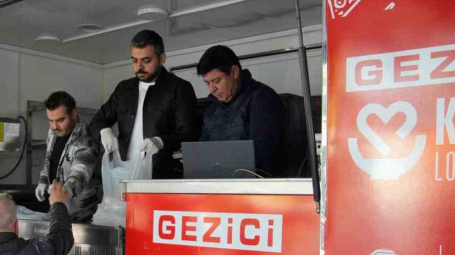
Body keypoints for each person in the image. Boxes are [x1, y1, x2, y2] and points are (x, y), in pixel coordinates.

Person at [89, 29, 198, 179]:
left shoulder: (179, 88)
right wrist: (104, 131)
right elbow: (97, 121)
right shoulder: (123, 89)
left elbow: (189, 134)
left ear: (162, 58)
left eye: (146, 61)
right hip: (123, 175)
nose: (139, 67)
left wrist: (161, 141)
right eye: (134, 60)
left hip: (161, 177)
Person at [197, 45, 300, 177]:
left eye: (216, 81)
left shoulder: (262, 97)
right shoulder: (212, 107)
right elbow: (202, 150)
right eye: (207, 83)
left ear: (234, 72)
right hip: (219, 181)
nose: (212, 89)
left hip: (256, 184)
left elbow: (261, 152)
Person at [35, 91, 102, 223]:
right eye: (50, 121)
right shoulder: (54, 131)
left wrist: (65, 192)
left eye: (60, 120)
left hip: (82, 216)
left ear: (73, 114)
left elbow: (80, 174)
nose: (54, 126)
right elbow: (49, 159)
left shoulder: (86, 140)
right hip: (59, 210)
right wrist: (43, 180)